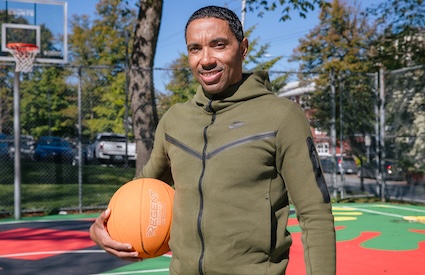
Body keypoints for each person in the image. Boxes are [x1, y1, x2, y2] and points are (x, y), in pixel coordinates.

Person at [90, 5, 336, 275]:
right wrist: (101, 229)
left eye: (218, 45)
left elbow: (315, 214)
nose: (205, 59)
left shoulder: (281, 116)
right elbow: (142, 190)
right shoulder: (175, 120)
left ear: (243, 48)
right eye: (195, 48)